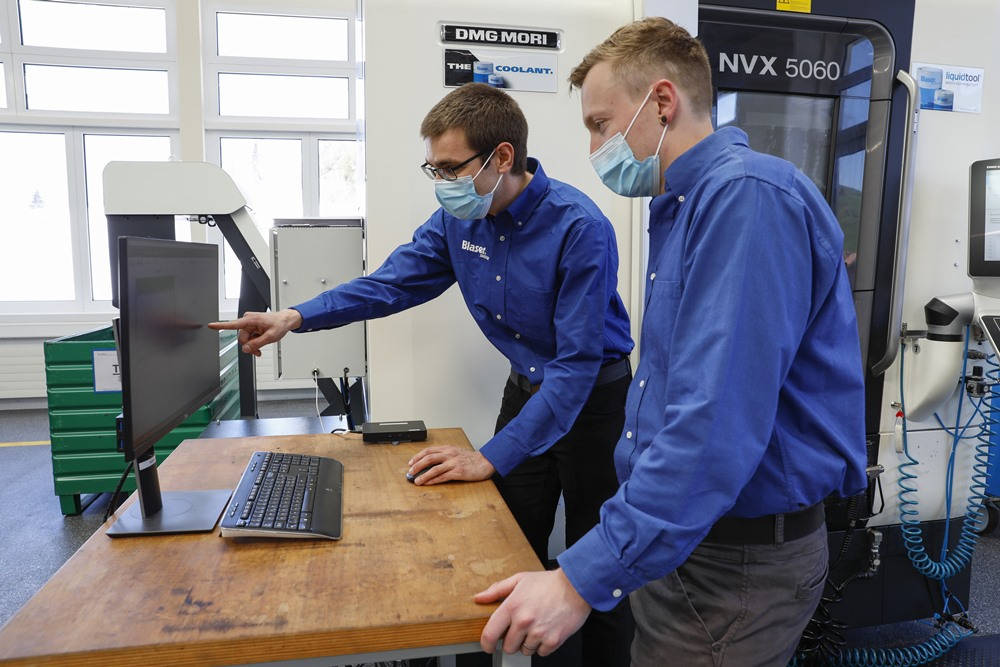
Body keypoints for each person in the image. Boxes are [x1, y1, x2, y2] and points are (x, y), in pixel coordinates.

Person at [473, 17, 868, 666]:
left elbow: (712, 426)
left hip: (735, 563)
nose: (597, 146)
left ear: (661, 101)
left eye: (601, 124)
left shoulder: (744, 201)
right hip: (683, 542)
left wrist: (577, 577)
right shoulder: (681, 208)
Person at [209, 82, 635, 666]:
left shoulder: (579, 228)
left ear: (501, 157)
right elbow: (390, 284)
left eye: (450, 168)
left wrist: (491, 454)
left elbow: (577, 366)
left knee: (596, 565)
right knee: (503, 545)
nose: (442, 184)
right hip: (527, 391)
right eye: (432, 170)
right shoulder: (458, 221)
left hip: (594, 406)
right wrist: (295, 315)